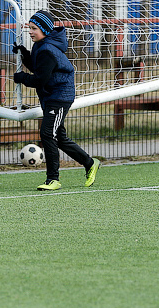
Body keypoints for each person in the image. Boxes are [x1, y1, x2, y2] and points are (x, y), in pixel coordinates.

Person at [13, 10, 101, 191]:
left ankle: (53, 179)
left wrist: (21, 77)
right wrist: (24, 53)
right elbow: (39, 67)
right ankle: (90, 163)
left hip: (59, 97)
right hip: (50, 96)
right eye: (29, 28)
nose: (30, 32)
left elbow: (40, 79)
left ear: (44, 29)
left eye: (34, 28)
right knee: (59, 137)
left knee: (47, 133)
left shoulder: (48, 50)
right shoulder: (41, 45)